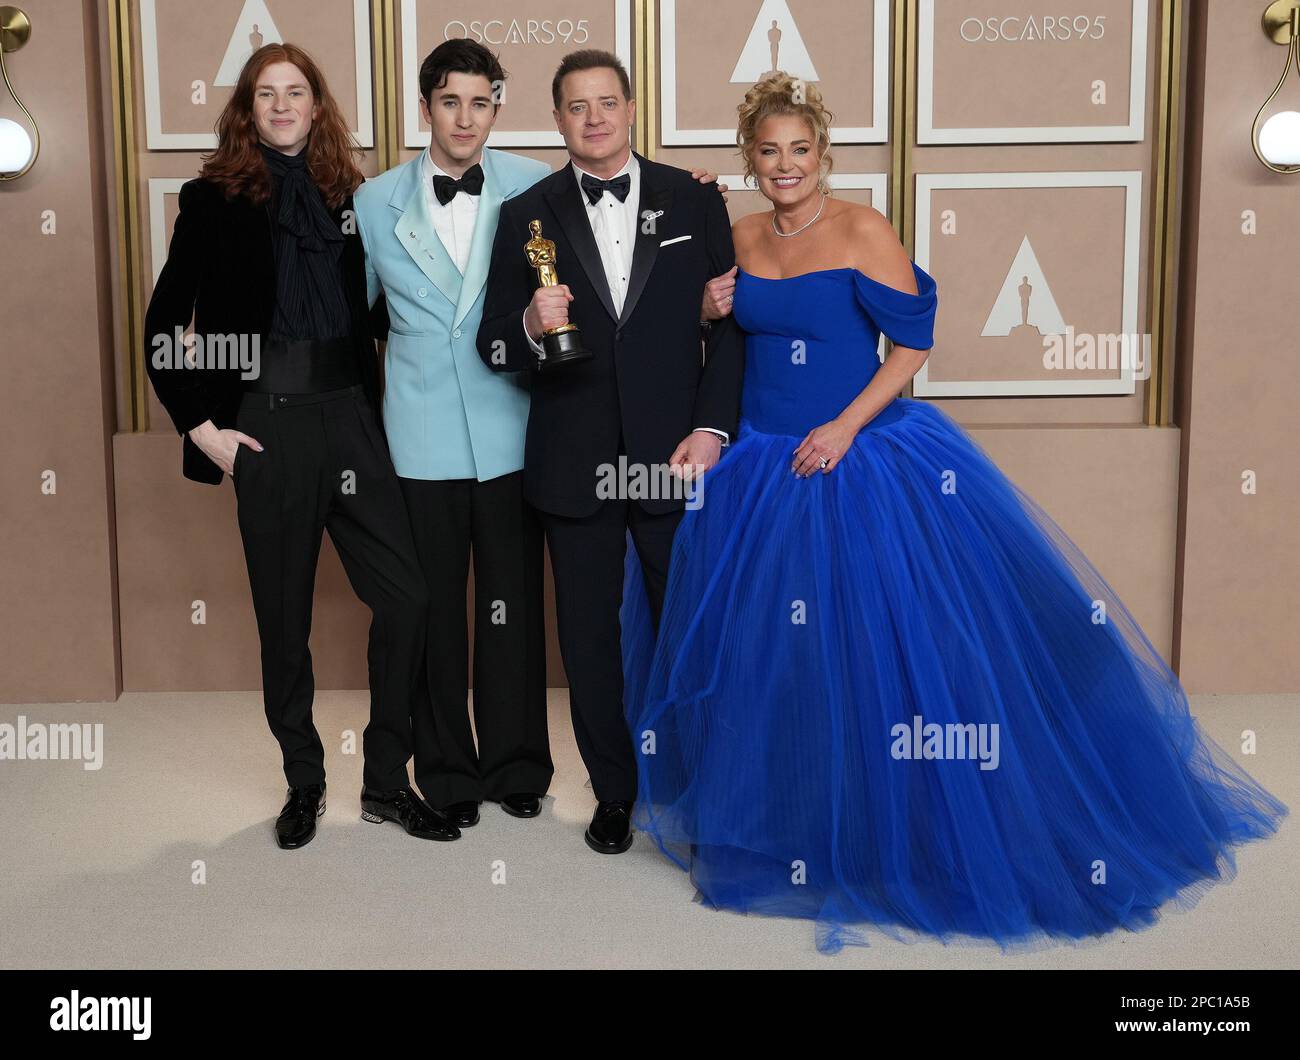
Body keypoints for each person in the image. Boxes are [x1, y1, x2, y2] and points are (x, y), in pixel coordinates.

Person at [620, 72, 1288, 951]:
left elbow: (914, 347)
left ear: (823, 154)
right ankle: (792, 827)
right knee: (775, 656)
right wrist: (712, 311)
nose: (785, 165)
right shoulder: (738, 236)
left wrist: (845, 428)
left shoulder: (863, 229)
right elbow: (726, 341)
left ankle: (893, 831)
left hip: (853, 453)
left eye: (801, 150)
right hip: (757, 460)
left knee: (885, 652)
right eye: (769, 151)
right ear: (750, 157)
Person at [144, 43, 459, 849]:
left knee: (408, 598)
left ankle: (387, 781)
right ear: (248, 110)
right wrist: (205, 429)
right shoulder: (211, 200)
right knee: (283, 622)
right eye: (265, 94)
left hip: (353, 418)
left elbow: (399, 300)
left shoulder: (356, 197)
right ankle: (304, 782)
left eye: (297, 92)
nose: (282, 105)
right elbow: (159, 330)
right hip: (267, 426)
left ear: (318, 107)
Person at [477, 49, 745, 854]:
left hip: (674, 456)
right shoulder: (524, 212)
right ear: (556, 120)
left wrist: (713, 428)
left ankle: (704, 795)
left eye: (606, 102)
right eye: (575, 106)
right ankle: (614, 794)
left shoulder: (694, 199)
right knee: (590, 642)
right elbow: (492, 344)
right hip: (573, 461)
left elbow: (730, 325)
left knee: (690, 631)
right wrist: (528, 325)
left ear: (631, 108)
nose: (593, 118)